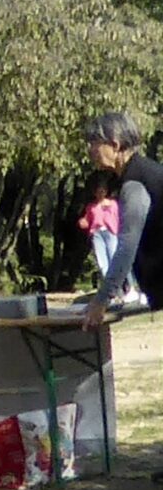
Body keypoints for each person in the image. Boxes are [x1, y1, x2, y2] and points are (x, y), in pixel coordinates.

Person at [81, 113, 161, 330]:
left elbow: (126, 246)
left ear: (115, 145)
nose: (90, 150)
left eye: (94, 143)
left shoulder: (135, 184)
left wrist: (101, 301)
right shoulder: (142, 172)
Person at [79, 172, 122, 294]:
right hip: (97, 234)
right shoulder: (91, 207)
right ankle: (109, 290)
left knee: (113, 258)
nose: (100, 193)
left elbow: (117, 218)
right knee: (102, 262)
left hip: (110, 233)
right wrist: (83, 222)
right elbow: (88, 220)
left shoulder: (112, 204)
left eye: (102, 191)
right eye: (98, 191)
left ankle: (119, 288)